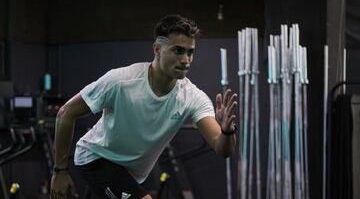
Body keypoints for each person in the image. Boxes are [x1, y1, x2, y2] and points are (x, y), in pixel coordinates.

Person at [50, 14, 237, 199]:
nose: (186, 60)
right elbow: (66, 113)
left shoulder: (193, 97)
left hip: (129, 173)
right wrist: (59, 171)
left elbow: (222, 149)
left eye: (190, 52)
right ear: (157, 49)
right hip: (97, 158)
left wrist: (227, 132)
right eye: (178, 51)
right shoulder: (121, 81)